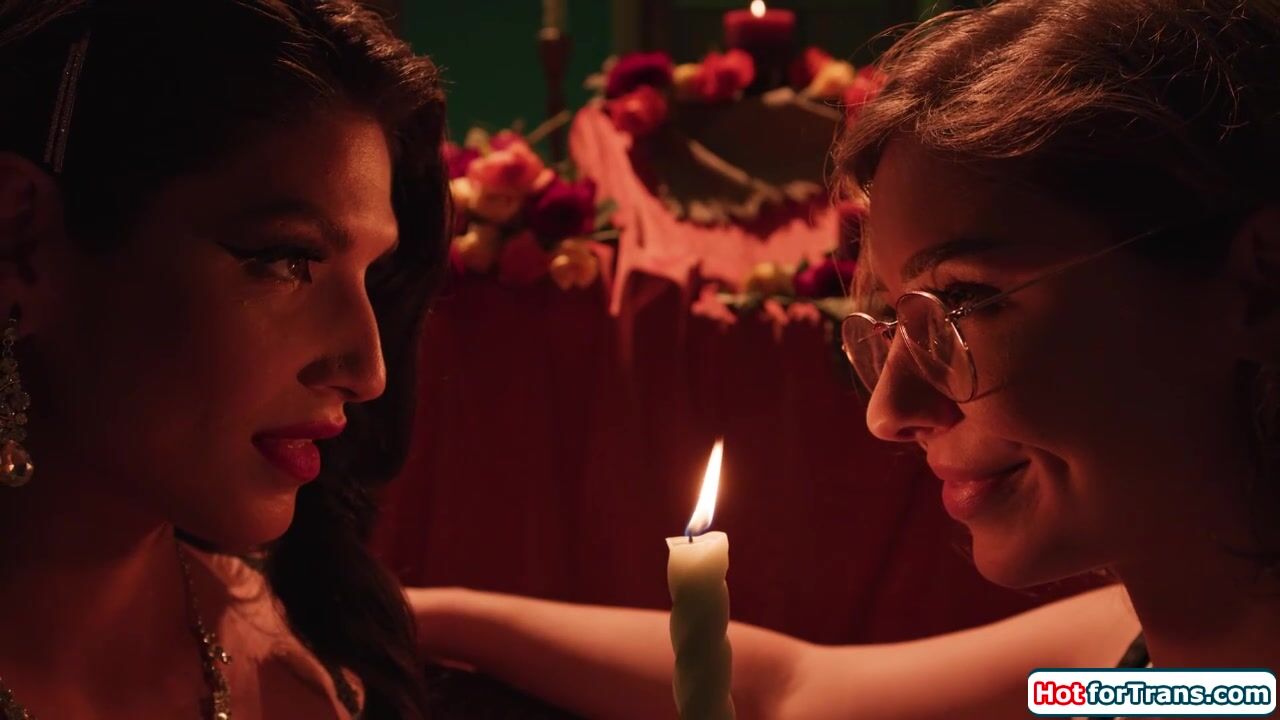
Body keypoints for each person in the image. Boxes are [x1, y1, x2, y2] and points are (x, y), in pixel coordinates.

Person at [408, 1, 1280, 718]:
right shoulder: (1167, 685)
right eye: (889, 322)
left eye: (966, 300)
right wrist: (417, 616)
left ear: (1257, 286)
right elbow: (790, 691)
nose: (888, 411)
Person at [0, 0, 449, 717]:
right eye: (288, 260)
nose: (368, 372)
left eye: (371, 276)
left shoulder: (299, 673)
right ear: (21, 239)